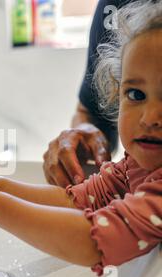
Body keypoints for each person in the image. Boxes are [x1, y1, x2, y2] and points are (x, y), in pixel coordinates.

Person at [0, 0, 162, 275]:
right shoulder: (138, 165)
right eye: (136, 95)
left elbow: (92, 242)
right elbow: (80, 201)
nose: (149, 117)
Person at [43, 0, 135, 188]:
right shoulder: (113, 7)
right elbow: (90, 112)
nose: (151, 117)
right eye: (136, 95)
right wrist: (85, 133)